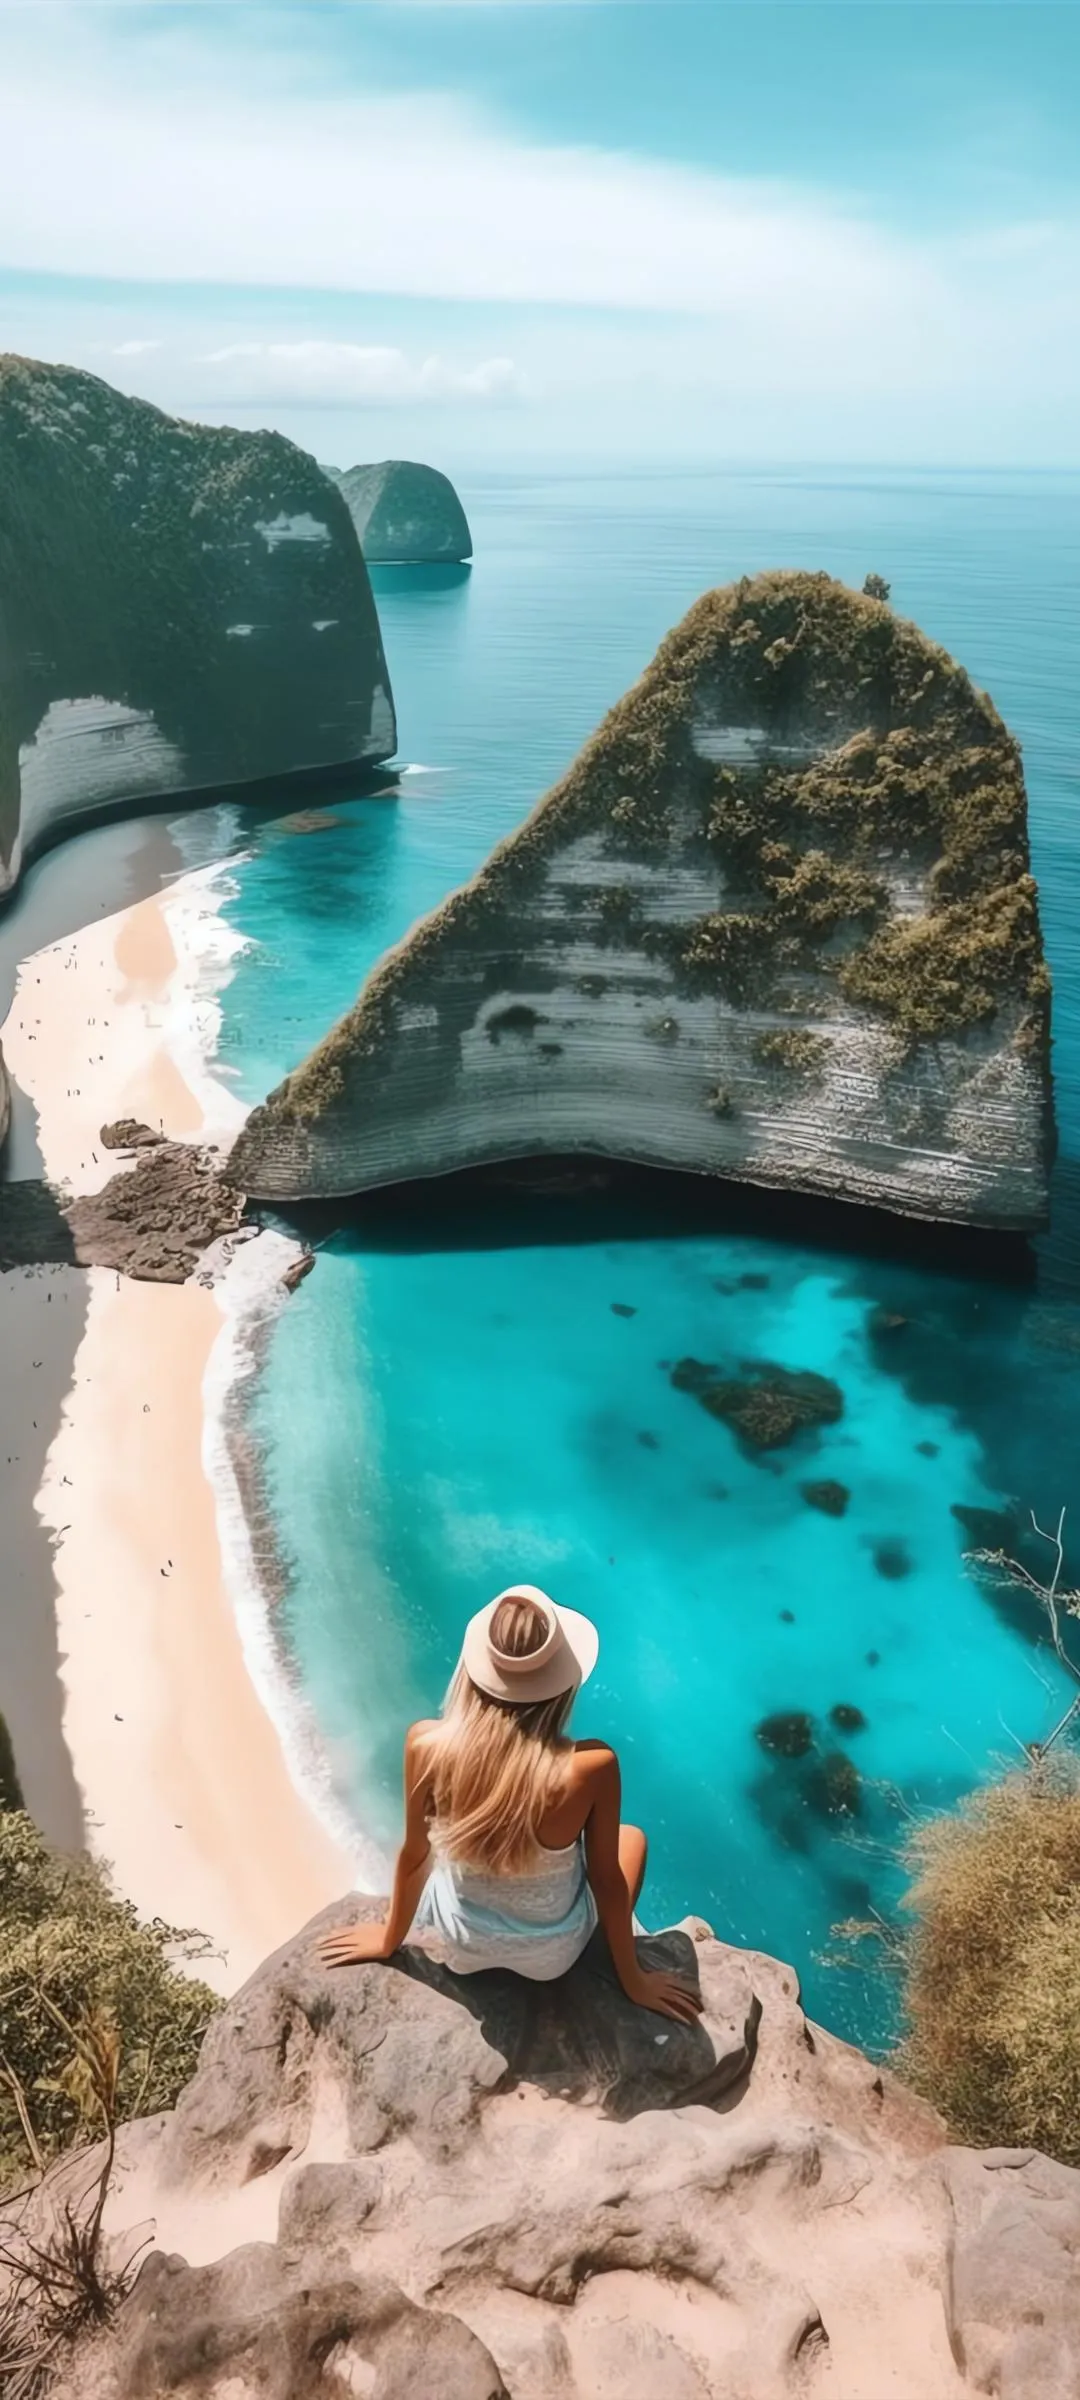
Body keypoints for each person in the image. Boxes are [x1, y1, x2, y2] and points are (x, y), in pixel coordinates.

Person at [318, 1583, 703, 2023]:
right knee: (630, 1839)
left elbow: (415, 1856)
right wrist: (634, 1979)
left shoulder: (426, 1744)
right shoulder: (591, 1765)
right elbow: (607, 1881)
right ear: (562, 1680)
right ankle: (604, 1959)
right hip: (553, 1960)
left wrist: (389, 1939)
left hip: (460, 1945)